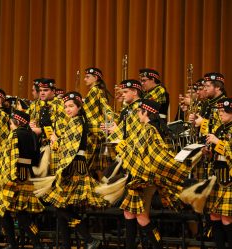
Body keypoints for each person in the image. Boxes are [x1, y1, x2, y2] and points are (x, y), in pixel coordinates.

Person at [116, 99, 190, 249]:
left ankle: (158, 246)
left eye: (139, 111)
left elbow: (139, 153)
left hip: (143, 179)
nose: (137, 113)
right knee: (129, 214)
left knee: (142, 218)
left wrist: (122, 146)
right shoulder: (148, 128)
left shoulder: (149, 130)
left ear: (146, 112)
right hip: (139, 178)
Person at [38, 92, 106, 249]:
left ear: (79, 107)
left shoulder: (77, 121)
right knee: (62, 207)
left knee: (61, 207)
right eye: (66, 106)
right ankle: (69, 244)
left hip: (74, 167)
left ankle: (89, 240)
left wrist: (55, 140)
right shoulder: (74, 121)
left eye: (71, 106)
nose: (67, 109)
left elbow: (69, 148)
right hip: (72, 167)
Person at [0, 110, 44, 249]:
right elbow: (36, 159)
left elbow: (10, 158)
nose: (9, 126)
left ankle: (16, 244)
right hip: (28, 174)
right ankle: (37, 244)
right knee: (21, 214)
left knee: (8, 212)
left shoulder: (15, 134)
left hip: (16, 175)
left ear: (16, 122)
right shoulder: (32, 135)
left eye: (10, 123)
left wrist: (7, 178)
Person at [202, 97, 232, 249]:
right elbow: (217, 152)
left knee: (227, 218)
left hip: (230, 177)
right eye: (219, 111)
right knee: (214, 216)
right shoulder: (221, 128)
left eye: (223, 111)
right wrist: (208, 152)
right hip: (217, 175)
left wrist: (217, 142)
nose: (220, 114)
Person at [29, 78, 68, 176]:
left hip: (54, 145)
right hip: (39, 144)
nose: (42, 93)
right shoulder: (36, 104)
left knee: (52, 175)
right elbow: (30, 119)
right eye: (40, 90)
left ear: (53, 91)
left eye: (45, 90)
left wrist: (41, 130)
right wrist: (30, 123)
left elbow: (61, 129)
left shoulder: (60, 105)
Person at [83, 67, 114, 180]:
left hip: (94, 132)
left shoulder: (96, 91)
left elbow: (107, 109)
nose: (84, 79)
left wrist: (110, 124)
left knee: (88, 164)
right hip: (92, 131)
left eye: (87, 77)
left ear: (95, 78)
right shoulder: (94, 91)